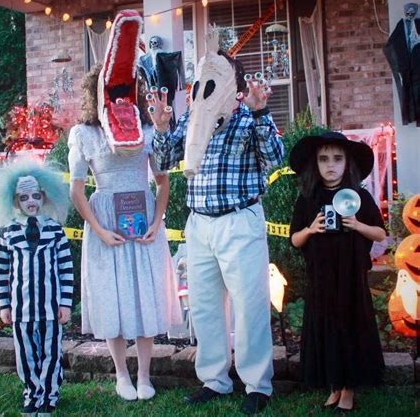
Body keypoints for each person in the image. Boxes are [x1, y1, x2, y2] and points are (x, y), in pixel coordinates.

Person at [149, 43, 284, 414]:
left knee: (249, 306)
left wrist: (260, 113)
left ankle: (257, 384)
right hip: (200, 225)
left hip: (239, 221)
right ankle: (215, 379)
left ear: (234, 88)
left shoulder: (248, 119)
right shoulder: (195, 119)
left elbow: (275, 157)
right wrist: (162, 128)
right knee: (205, 307)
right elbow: (163, 160)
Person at [68, 63, 180, 402]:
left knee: (145, 293)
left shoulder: (148, 130)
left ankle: (145, 375)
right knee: (111, 295)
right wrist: (100, 231)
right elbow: (76, 191)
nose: (119, 95)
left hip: (142, 221)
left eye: (126, 88)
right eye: (112, 89)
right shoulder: (84, 133)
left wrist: (157, 222)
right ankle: (121, 374)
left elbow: (163, 182)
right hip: (105, 222)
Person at [289, 131, 386, 412]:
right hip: (320, 279)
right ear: (315, 164)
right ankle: (334, 385)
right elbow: (295, 239)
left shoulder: (360, 197)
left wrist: (357, 225)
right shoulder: (308, 199)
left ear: (348, 163)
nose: (330, 165)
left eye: (337, 159)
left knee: (349, 328)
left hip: (351, 279)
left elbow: (380, 234)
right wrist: (311, 228)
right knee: (327, 330)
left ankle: (349, 389)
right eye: (323, 159)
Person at [0, 160, 74, 417]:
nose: (31, 201)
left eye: (35, 195)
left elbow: (66, 270)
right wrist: (4, 305)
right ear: (14, 201)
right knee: (26, 355)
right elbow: (1, 272)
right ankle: (32, 394)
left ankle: (49, 394)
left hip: (50, 309)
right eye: (24, 197)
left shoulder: (55, 231)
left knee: (50, 353)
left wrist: (65, 303)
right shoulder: (8, 234)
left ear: (44, 197)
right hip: (21, 311)